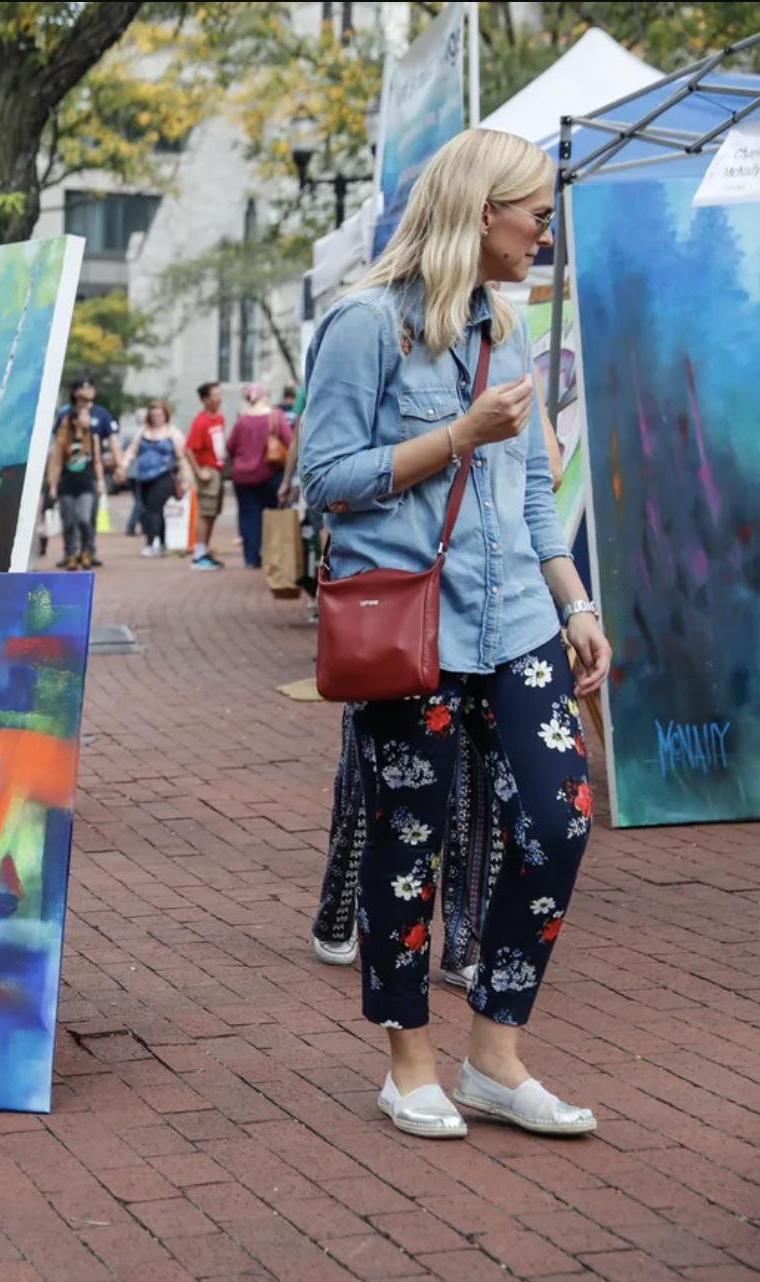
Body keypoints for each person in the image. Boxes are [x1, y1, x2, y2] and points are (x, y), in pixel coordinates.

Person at [300, 127, 608, 1140]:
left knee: (558, 815)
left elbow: (526, 492)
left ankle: (494, 1053)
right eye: (537, 216)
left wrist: (573, 602)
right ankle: (409, 1064)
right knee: (409, 843)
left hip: (516, 613)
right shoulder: (361, 326)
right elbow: (327, 480)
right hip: (412, 624)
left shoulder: (503, 333)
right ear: (484, 215)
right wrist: (452, 438)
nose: (543, 233)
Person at [225, 382, 293, 570]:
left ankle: (251, 558)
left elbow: (230, 446)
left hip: (242, 476)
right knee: (272, 516)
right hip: (270, 474)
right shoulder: (276, 416)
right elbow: (290, 442)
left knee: (248, 516)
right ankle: (271, 554)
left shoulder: (242, 419)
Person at [44, 387, 108, 570]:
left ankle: (86, 551)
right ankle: (71, 554)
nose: (89, 419)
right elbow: (56, 463)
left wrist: (101, 482)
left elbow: (97, 462)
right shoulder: (64, 440)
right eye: (84, 416)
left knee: (84, 518)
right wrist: (53, 486)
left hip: (87, 483)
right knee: (69, 521)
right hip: (67, 484)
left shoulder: (92, 438)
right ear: (74, 420)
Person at [118, 401, 189, 558]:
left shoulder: (172, 433)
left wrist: (185, 479)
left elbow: (182, 457)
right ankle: (162, 542)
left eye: (160, 414)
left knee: (153, 508)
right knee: (151, 510)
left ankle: (151, 543)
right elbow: (132, 451)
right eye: (153, 414)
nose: (157, 417)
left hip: (163, 476)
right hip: (143, 477)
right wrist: (122, 466)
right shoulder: (143, 432)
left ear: (165, 415)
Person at [185, 382, 227, 570]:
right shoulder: (200, 422)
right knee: (205, 512)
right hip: (208, 471)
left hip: (217, 470)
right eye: (214, 395)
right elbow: (188, 449)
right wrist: (199, 471)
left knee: (213, 512)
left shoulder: (218, 419)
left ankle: (204, 550)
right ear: (205, 399)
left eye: (219, 394)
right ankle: (199, 553)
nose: (218, 398)